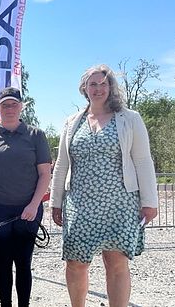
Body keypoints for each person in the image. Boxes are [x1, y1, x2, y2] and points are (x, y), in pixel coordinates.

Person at [49, 64, 159, 307]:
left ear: (110, 87)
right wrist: (55, 202)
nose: (98, 88)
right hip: (80, 203)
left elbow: (142, 160)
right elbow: (62, 164)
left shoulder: (130, 119)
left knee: (116, 262)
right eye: (93, 84)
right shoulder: (71, 122)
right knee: (76, 262)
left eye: (103, 83)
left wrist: (150, 202)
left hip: (120, 203)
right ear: (84, 89)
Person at [0, 87, 52, 307]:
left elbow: (44, 174)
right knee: (3, 263)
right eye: (5, 104)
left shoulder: (36, 136)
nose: (10, 108)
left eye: (14, 104)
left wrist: (34, 205)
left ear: (22, 107)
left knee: (23, 263)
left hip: (28, 210)